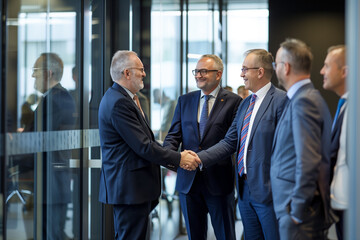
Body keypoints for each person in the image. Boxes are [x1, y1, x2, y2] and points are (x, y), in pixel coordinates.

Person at [98, 50, 200, 239]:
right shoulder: (119, 102)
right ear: (127, 73)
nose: (145, 74)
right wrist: (179, 158)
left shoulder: (124, 98)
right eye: (141, 69)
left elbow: (146, 142)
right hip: (129, 190)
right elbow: (143, 146)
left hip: (132, 189)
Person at [197, 49, 287, 239]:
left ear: (260, 72)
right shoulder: (245, 103)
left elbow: (286, 150)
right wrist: (198, 158)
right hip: (245, 193)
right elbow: (230, 142)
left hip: (269, 193)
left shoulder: (281, 101)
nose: (241, 74)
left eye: (245, 69)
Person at [163, 54, 241, 240]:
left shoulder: (234, 101)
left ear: (218, 74)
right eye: (196, 71)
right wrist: (173, 158)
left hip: (218, 182)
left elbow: (232, 141)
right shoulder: (185, 100)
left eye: (203, 71)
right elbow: (173, 136)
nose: (198, 75)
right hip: (188, 182)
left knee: (225, 235)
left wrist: (198, 159)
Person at [271, 38, 333, 239]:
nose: (276, 69)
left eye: (277, 64)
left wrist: (296, 211)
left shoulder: (304, 101)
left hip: (298, 212)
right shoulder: (305, 97)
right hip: (295, 209)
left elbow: (309, 160)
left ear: (286, 67)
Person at [32, 52, 77, 239]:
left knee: (52, 234)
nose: (32, 76)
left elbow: (41, 138)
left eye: (35, 71)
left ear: (48, 73)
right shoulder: (55, 97)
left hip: (53, 180)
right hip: (51, 179)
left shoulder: (57, 99)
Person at [320, 45, 348, 240]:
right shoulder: (345, 105)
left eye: (327, 66)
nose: (322, 71)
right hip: (340, 202)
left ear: (344, 71)